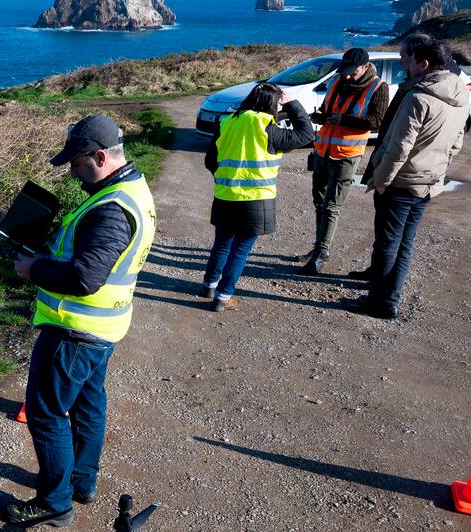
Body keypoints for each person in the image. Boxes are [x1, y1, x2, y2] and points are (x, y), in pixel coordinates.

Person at [8, 115, 156, 527]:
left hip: (75, 331)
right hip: (105, 328)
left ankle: (55, 503)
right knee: (90, 402)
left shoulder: (109, 210)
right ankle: (82, 482)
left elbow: (84, 279)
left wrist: (33, 269)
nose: (72, 172)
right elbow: (92, 257)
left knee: (47, 413)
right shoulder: (130, 189)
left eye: (76, 163)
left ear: (101, 156)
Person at [350, 34, 470, 319]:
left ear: (424, 64)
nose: (408, 66)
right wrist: (438, 172)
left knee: (387, 243)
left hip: (401, 182)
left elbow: (399, 146)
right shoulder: (462, 95)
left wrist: (382, 180)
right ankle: (390, 298)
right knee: (405, 242)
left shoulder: (418, 97)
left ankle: (378, 303)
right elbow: (457, 142)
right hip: (428, 183)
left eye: (410, 61)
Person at [201, 83, 314, 310]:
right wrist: (291, 103)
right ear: (273, 105)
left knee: (222, 243)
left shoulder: (227, 122)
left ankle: (209, 285)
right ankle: (223, 297)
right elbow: (306, 134)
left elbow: (210, 161)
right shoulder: (267, 127)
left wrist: (226, 176)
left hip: (226, 195)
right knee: (240, 249)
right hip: (256, 199)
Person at [294, 48, 388, 275]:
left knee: (331, 205)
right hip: (323, 150)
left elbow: (377, 121)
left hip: (346, 155)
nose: (346, 75)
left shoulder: (378, 87)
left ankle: (321, 253)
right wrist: (321, 117)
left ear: (365, 67)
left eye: (351, 72)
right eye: (344, 70)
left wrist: (344, 120)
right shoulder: (338, 81)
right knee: (319, 202)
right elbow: (328, 110)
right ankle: (318, 247)